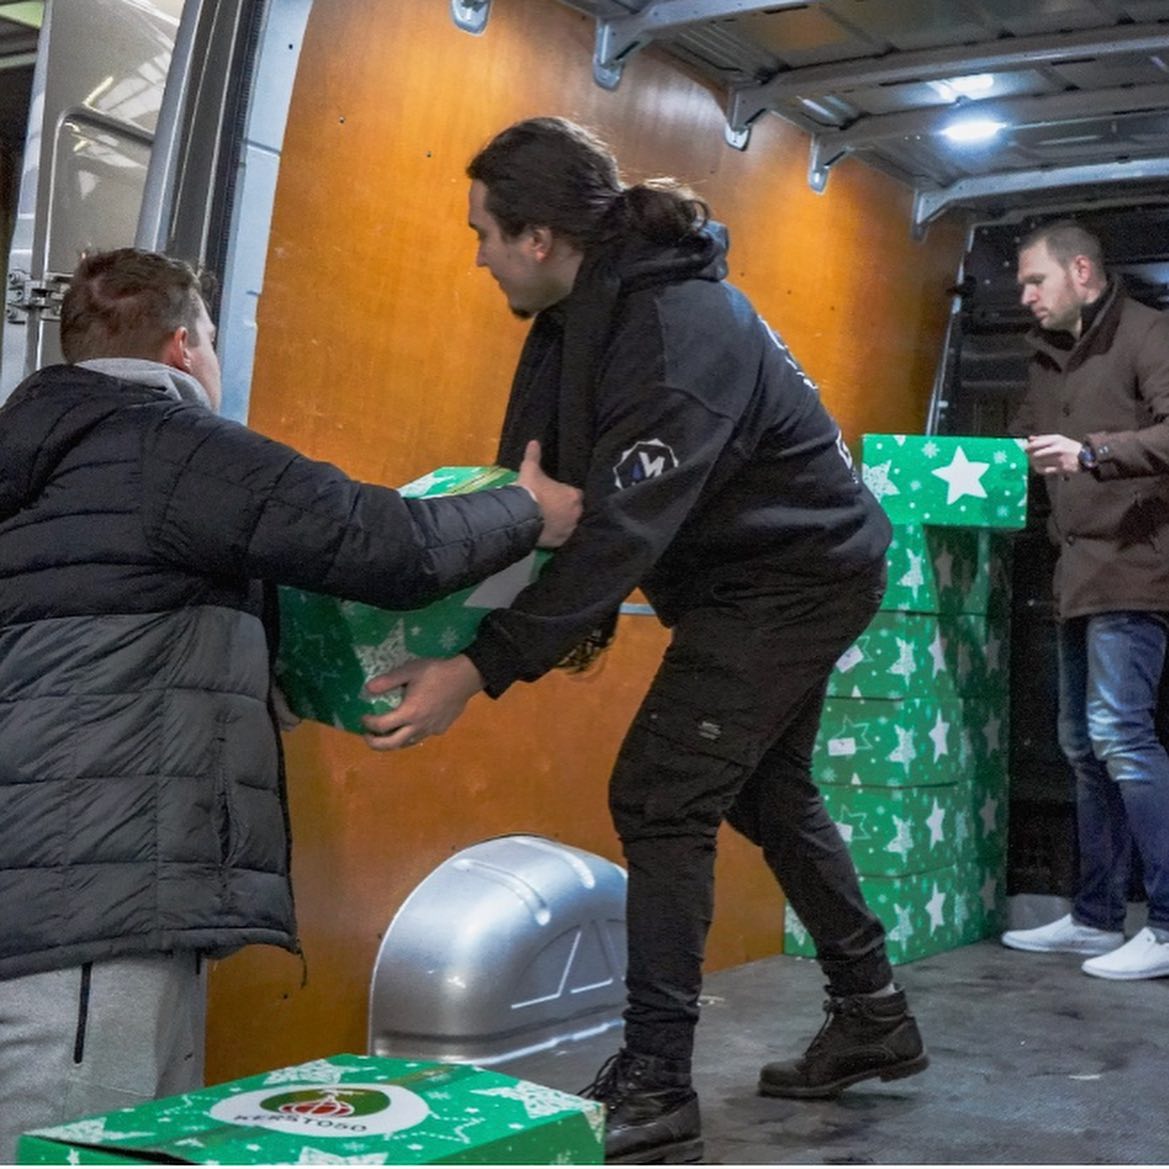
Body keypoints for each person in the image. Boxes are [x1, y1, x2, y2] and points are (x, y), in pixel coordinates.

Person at [361, 117, 928, 1163]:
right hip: (740, 575)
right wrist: (452, 600)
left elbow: (612, 530)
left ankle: (659, 1080)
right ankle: (872, 1013)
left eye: (484, 231)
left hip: (796, 575)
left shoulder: (675, 333)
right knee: (761, 787)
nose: (475, 252)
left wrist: (475, 669)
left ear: (538, 236)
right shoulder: (579, 311)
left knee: (660, 792)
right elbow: (539, 492)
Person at [0, 247, 581, 1158]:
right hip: (90, 911)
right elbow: (382, 542)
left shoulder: (32, 462)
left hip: (53, 894)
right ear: (186, 347)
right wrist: (525, 510)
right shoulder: (170, 446)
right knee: (81, 1146)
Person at [1000, 219, 1169, 981]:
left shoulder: (1146, 333)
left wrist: (1091, 452)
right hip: (1072, 575)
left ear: (1080, 270)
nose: (1025, 296)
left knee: (1122, 739)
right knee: (1081, 747)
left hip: (1135, 569)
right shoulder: (1046, 359)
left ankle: (1164, 926)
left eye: (1035, 281)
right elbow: (1027, 439)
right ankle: (1097, 917)